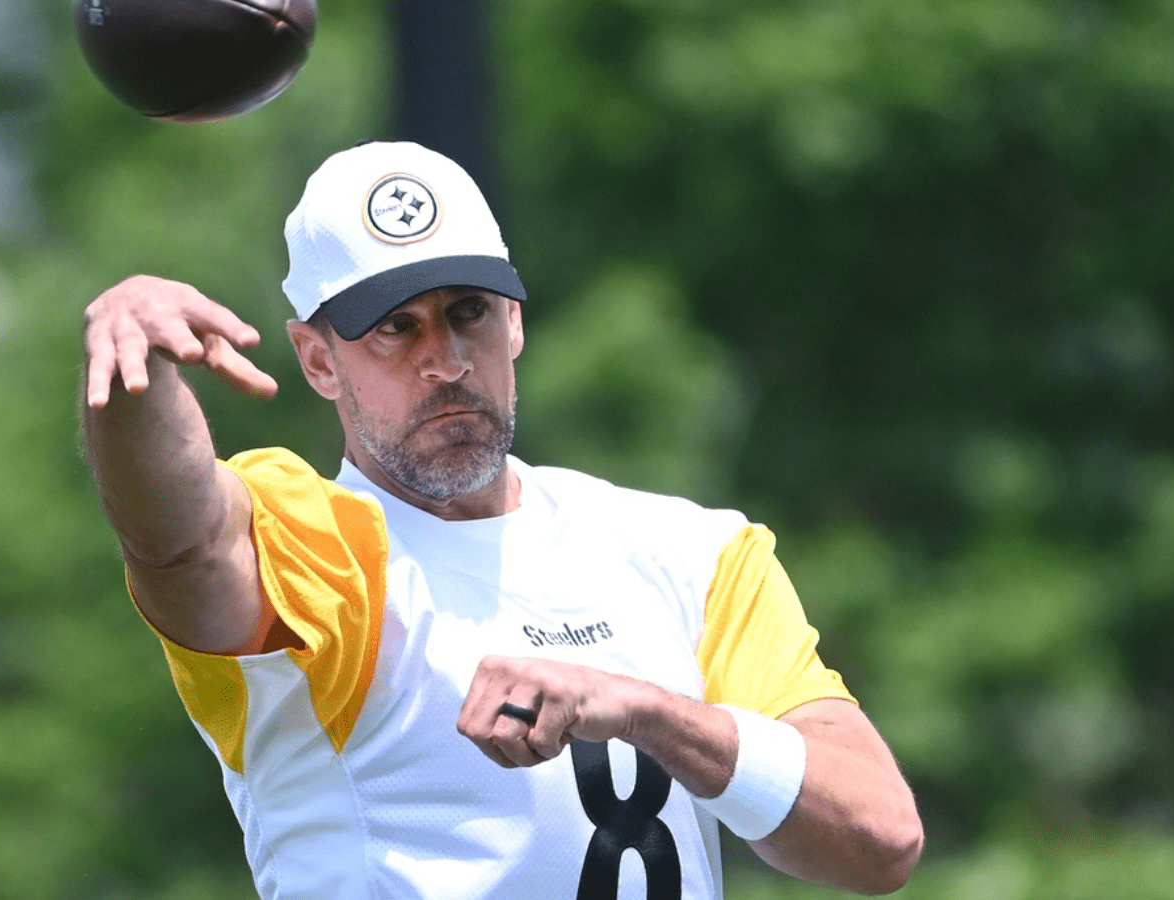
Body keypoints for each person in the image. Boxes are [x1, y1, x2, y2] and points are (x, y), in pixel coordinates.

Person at [81, 140, 922, 900]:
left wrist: (650, 713)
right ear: (317, 360)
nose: (445, 361)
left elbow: (882, 840)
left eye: (469, 312)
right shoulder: (325, 553)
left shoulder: (692, 551)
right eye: (396, 327)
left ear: (514, 320)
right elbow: (180, 542)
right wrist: (133, 374)